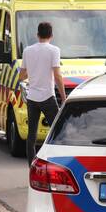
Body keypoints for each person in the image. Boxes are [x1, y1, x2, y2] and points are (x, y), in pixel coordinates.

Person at [19, 21, 66, 164]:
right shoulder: (54, 50)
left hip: (32, 98)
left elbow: (21, 76)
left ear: (37, 34)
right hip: (48, 97)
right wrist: (64, 97)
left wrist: (34, 73)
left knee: (31, 135)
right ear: (51, 35)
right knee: (57, 131)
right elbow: (57, 76)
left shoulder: (27, 50)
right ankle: (56, 163)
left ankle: (31, 168)